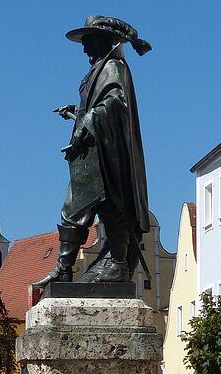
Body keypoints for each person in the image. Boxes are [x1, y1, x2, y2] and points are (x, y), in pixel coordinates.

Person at [35, 15, 152, 287]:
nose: (84, 48)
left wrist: (86, 122)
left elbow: (116, 104)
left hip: (108, 153)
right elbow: (102, 105)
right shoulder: (101, 67)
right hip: (93, 152)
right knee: (75, 207)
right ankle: (65, 268)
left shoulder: (113, 66)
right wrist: (77, 112)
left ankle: (117, 263)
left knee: (111, 206)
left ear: (105, 40)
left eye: (89, 40)